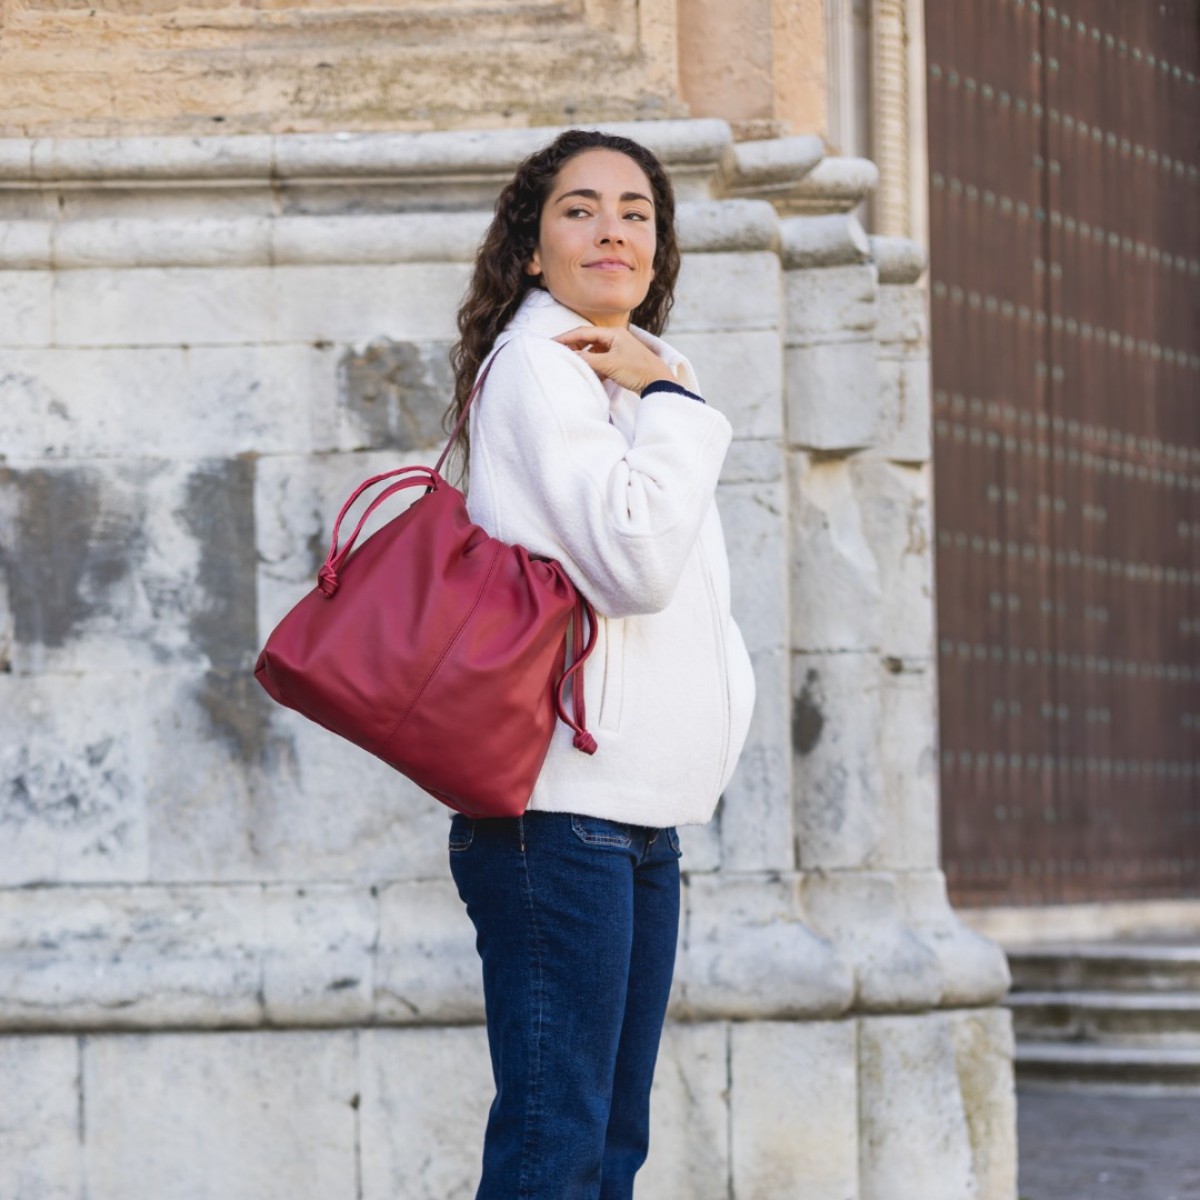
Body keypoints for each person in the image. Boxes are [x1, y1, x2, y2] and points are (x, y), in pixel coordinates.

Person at [444, 128, 756, 1200]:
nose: (611, 229)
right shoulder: (543, 365)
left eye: (635, 211)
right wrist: (674, 401)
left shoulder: (629, 371)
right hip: (557, 812)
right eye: (579, 208)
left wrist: (663, 388)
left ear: (659, 248)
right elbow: (634, 564)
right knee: (554, 1147)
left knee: (604, 1144)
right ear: (532, 249)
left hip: (631, 809)